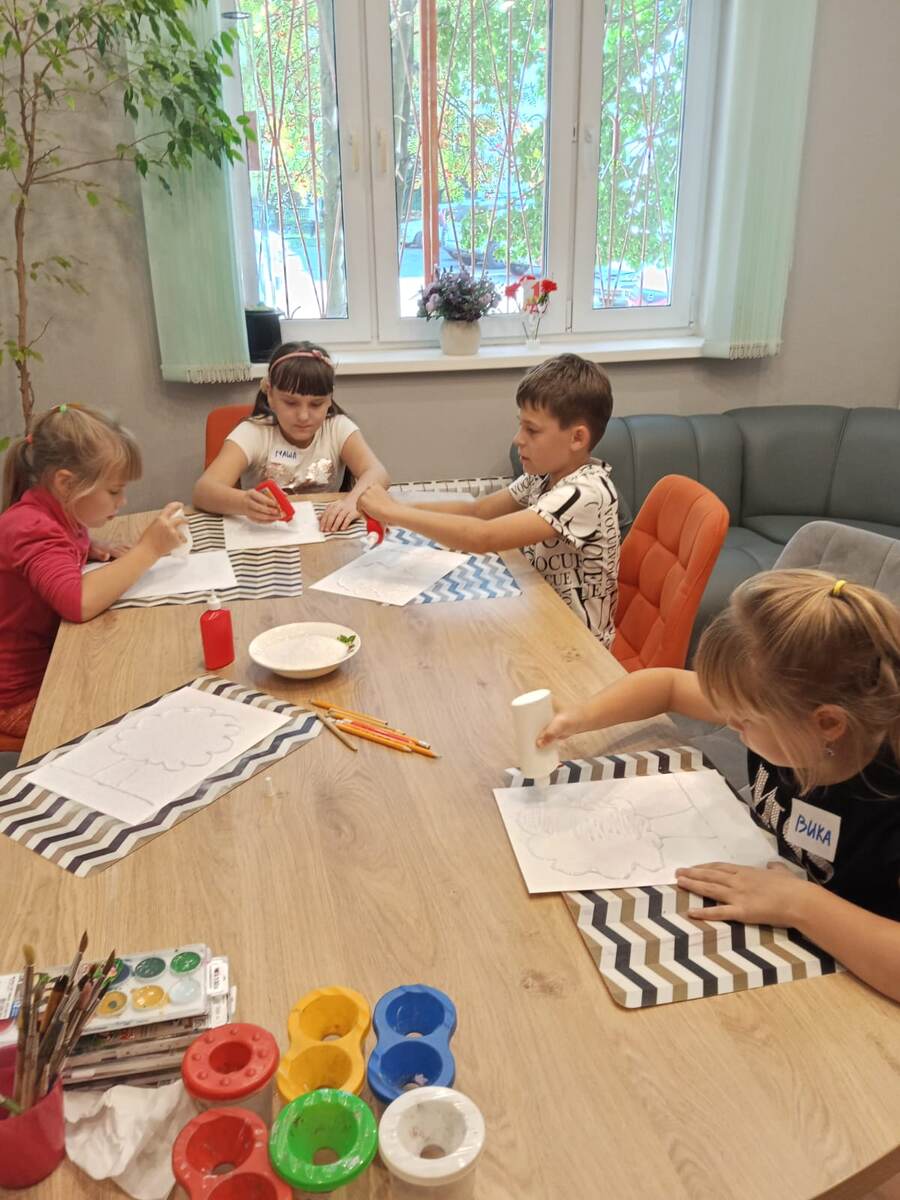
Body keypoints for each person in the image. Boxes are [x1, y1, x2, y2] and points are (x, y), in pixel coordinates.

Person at [537, 569, 900, 1001]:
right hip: (779, 923)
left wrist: (799, 904)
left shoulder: (885, 795)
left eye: (742, 720)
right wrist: (579, 717)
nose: (728, 722)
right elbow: (668, 686)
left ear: (827, 724)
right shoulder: (788, 712)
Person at [359, 354, 620, 644]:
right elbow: (478, 510)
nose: (518, 439)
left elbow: (483, 536)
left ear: (577, 439)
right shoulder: (545, 475)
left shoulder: (584, 494)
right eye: (520, 426)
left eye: (532, 430)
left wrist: (393, 513)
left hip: (578, 645)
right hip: (541, 617)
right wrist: (396, 507)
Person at [0, 404, 187, 740]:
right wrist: (148, 549)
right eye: (114, 491)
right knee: (140, 715)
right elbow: (79, 602)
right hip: (20, 698)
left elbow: (61, 550)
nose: (122, 501)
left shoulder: (55, 512)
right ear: (66, 484)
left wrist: (92, 546)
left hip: (51, 668)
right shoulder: (32, 528)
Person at [193, 340, 389, 532]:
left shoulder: (337, 427)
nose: (303, 416)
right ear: (270, 395)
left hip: (324, 532)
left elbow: (377, 472)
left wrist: (352, 502)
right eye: (290, 403)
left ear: (330, 399)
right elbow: (203, 490)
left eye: (316, 404)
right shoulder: (253, 432)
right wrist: (243, 502)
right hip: (266, 534)